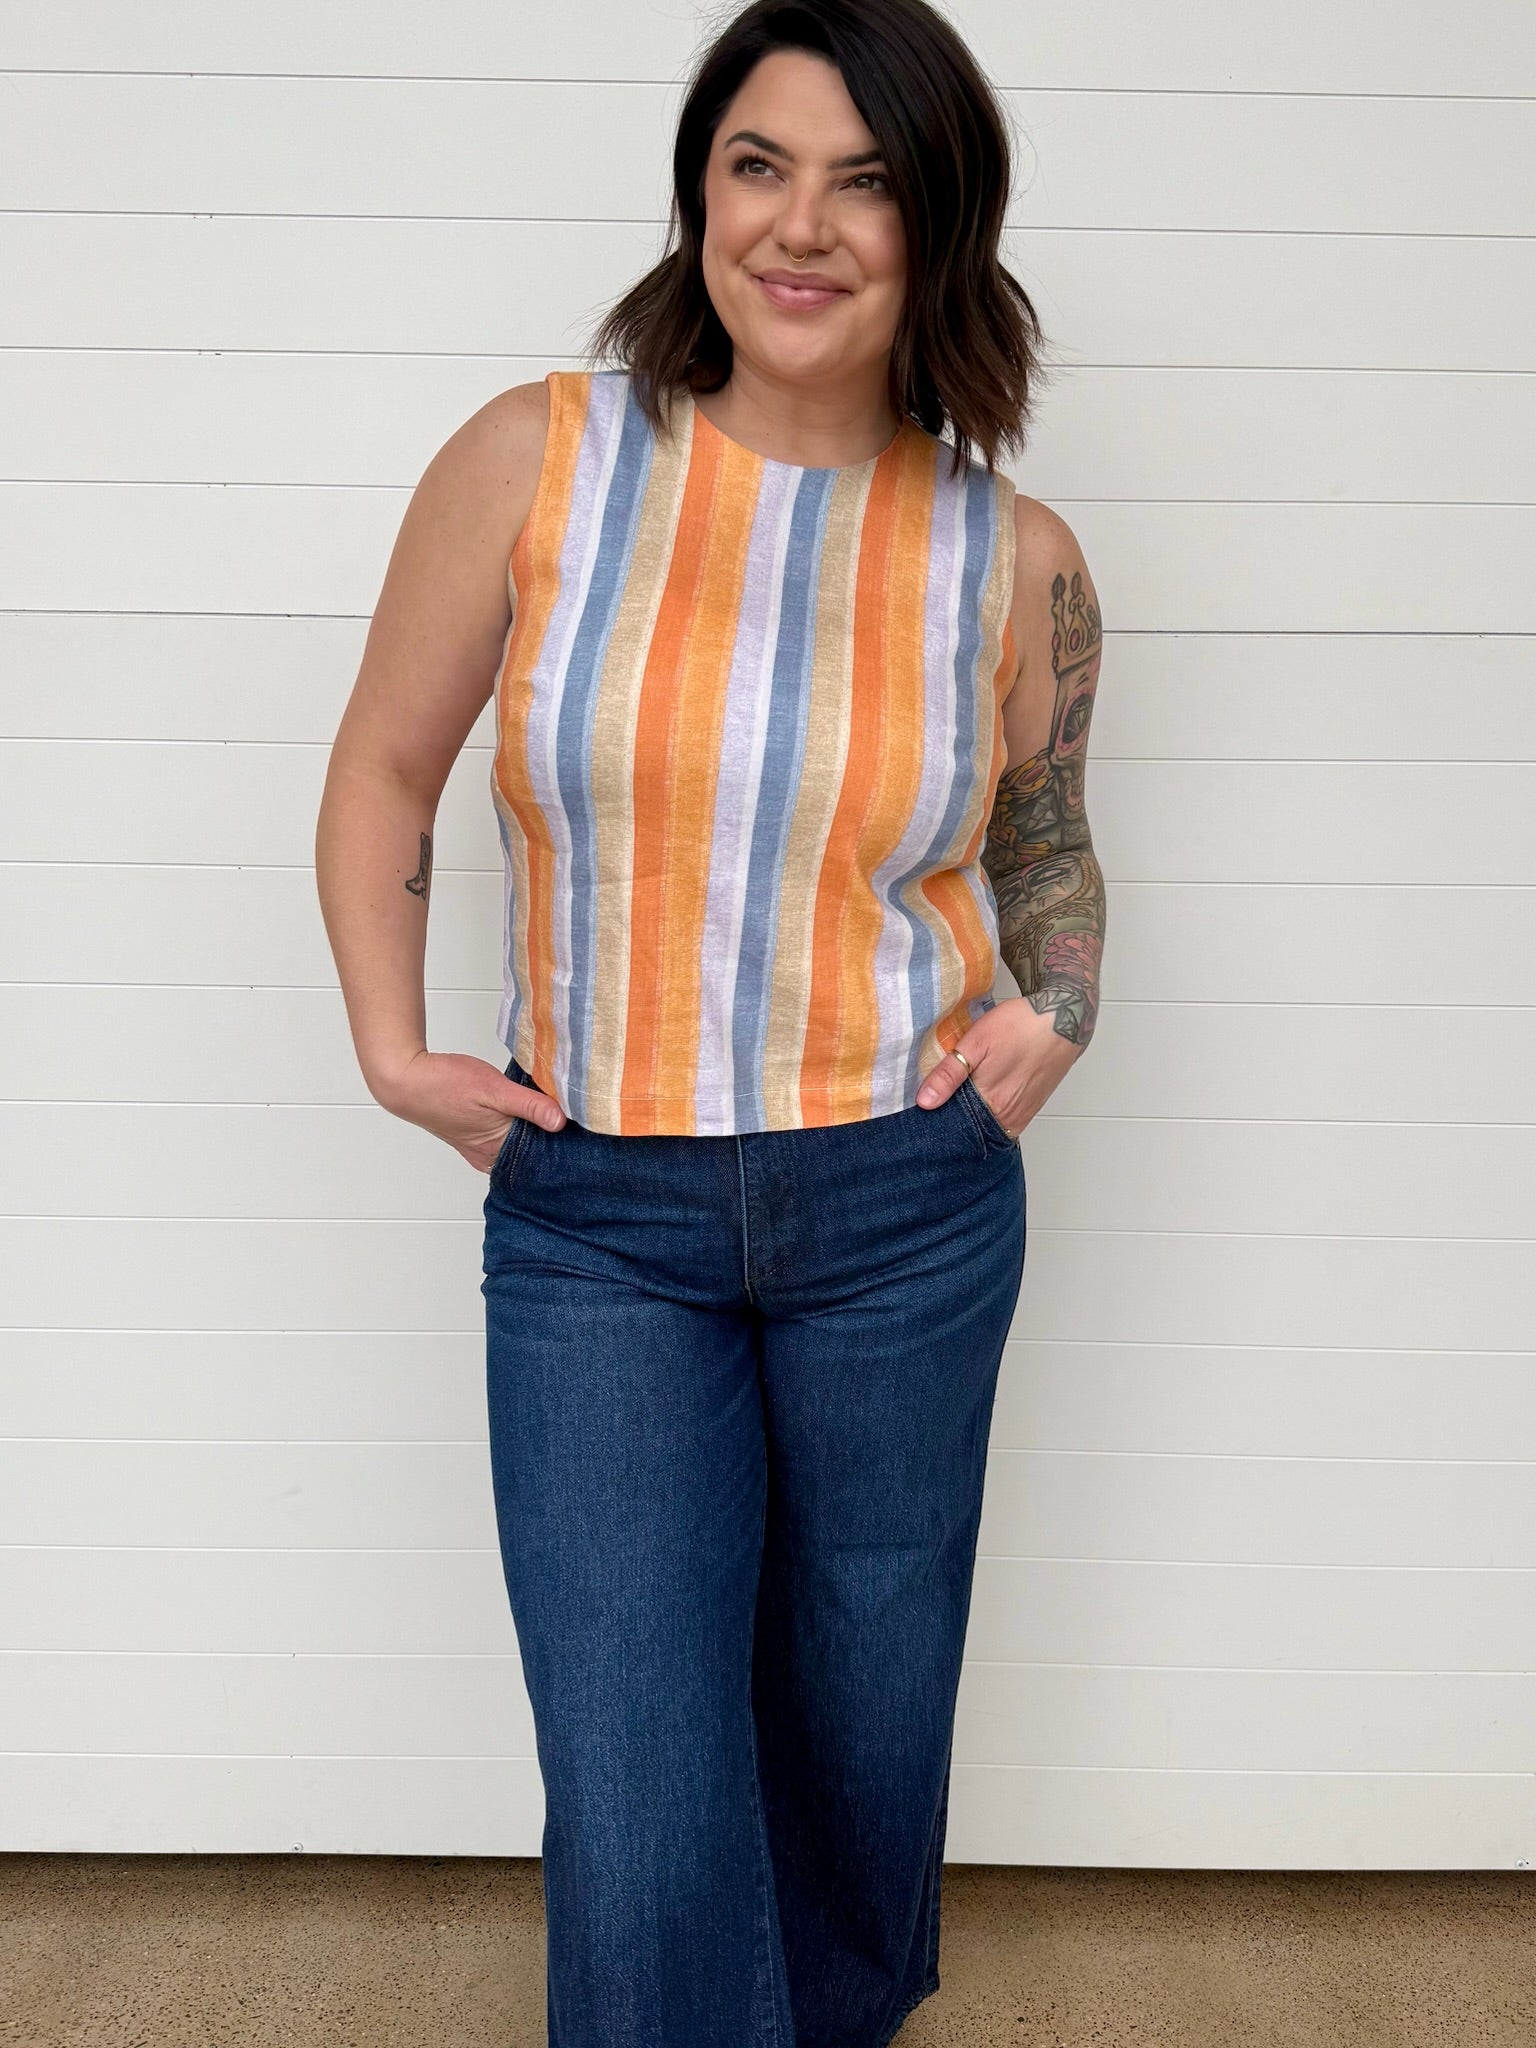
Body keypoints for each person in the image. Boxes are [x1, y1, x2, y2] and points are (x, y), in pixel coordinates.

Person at [315, 0, 1106, 2039]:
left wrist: (1061, 1008)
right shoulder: (539, 459)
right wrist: (393, 1049)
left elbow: (1045, 840)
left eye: (865, 182)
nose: (801, 225)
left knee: (865, 1716)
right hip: (602, 1218)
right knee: (640, 1760)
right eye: (759, 164)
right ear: (698, 196)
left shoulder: (1010, 555)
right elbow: (387, 768)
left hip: (907, 1210)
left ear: (941, 226)